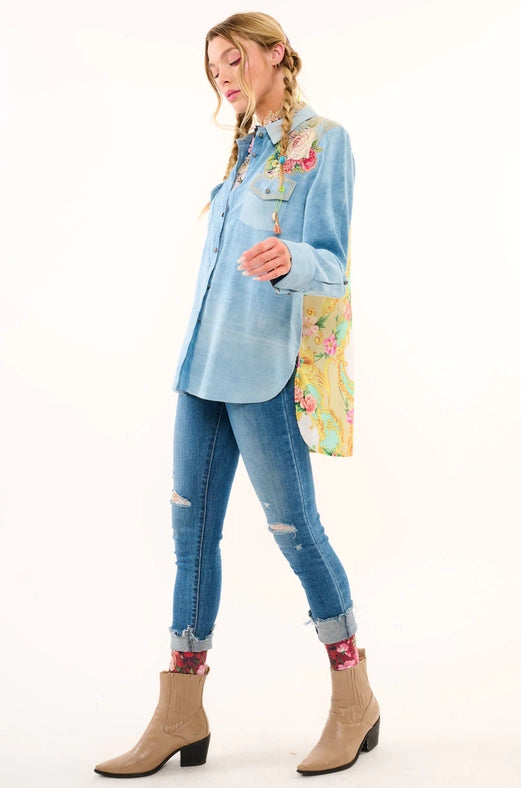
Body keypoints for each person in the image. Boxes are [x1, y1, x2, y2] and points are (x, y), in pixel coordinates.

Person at [94, 11, 380, 779]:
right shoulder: (247, 148)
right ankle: (179, 713)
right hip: (201, 371)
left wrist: (291, 257)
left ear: (275, 53)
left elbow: (332, 265)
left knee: (296, 531)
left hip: (263, 372)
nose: (222, 75)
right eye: (212, 66)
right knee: (190, 540)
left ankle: (353, 700)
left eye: (233, 58)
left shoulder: (324, 142)